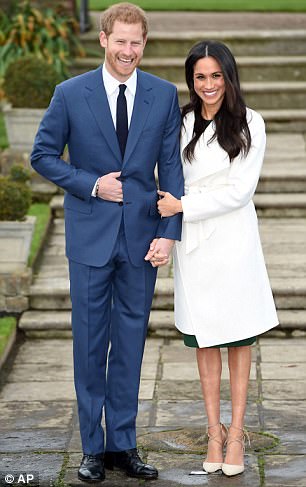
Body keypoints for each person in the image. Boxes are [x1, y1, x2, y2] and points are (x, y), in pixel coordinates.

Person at [31, 2, 184, 483]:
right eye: (120, 40)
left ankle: (123, 444)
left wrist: (169, 234)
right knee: (90, 344)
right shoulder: (70, 93)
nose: (128, 51)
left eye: (136, 42)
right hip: (90, 237)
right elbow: (42, 155)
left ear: (145, 44)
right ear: (103, 40)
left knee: (132, 344)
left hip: (141, 240)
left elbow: (171, 170)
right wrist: (93, 184)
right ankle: (92, 449)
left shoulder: (162, 94)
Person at [156, 40, 278, 477]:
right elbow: (167, 174)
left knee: (239, 336)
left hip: (233, 240)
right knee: (204, 337)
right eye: (199, 77)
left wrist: (183, 206)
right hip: (194, 244)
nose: (208, 85)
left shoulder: (251, 123)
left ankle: (238, 431)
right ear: (191, 80)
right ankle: (213, 431)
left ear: (229, 76)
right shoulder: (182, 121)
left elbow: (240, 190)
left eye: (216, 75)